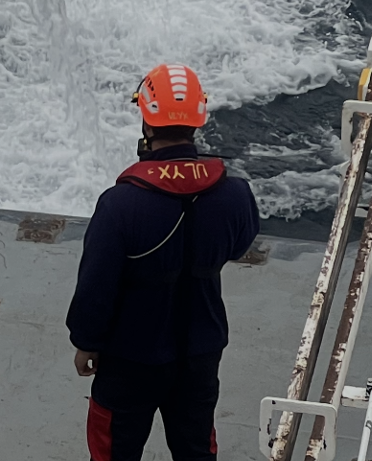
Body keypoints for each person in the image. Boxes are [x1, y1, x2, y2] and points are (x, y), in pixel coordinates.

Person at [66, 64, 260, 461]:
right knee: (195, 449)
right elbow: (238, 247)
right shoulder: (235, 194)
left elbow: (96, 286)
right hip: (200, 349)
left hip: (129, 355)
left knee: (114, 451)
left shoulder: (119, 204)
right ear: (198, 120)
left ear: (146, 120)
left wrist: (87, 342)